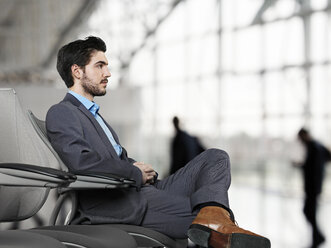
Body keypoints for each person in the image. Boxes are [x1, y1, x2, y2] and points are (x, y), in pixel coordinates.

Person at [46, 36, 270, 248]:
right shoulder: (63, 112)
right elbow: (82, 163)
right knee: (202, 218)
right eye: (100, 66)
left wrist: (138, 168)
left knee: (216, 157)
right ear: (77, 71)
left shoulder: (94, 115)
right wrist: (133, 171)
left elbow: (113, 159)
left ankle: (215, 218)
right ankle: (216, 223)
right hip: (118, 204)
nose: (108, 73)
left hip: (140, 190)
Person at [296, 128, 330, 248]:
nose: (300, 141)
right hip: (315, 185)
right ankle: (318, 237)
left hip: (312, 186)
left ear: (304, 135)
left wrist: (302, 165)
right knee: (310, 212)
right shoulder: (318, 145)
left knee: (309, 211)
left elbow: (310, 166)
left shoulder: (313, 147)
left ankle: (318, 238)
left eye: (300, 138)